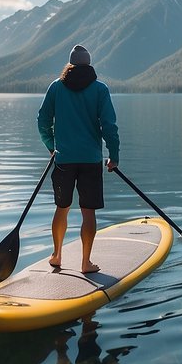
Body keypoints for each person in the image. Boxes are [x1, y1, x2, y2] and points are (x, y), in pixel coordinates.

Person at [37, 44, 119, 273]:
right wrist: (114, 155)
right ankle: (85, 262)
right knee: (88, 211)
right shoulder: (100, 89)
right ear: (89, 65)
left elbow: (43, 121)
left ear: (70, 65)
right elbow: (109, 126)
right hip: (91, 160)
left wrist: (51, 146)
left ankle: (57, 255)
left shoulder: (56, 87)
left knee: (61, 208)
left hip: (64, 160)